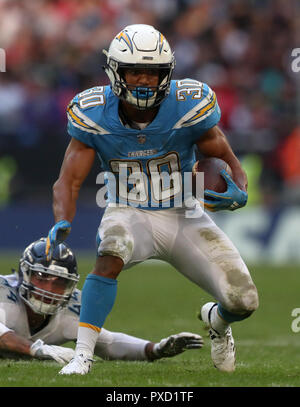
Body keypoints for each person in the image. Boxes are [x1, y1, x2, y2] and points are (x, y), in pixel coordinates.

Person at [45, 24, 259, 375]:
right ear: (116, 72)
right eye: (134, 71)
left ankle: (217, 322)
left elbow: (227, 158)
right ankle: (82, 356)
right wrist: (62, 223)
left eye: (152, 72)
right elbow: (67, 182)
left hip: (184, 214)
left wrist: (239, 188)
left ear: (167, 73)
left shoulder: (188, 105)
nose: (144, 80)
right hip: (129, 211)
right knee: (111, 249)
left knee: (244, 300)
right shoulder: (94, 113)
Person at [0, 238, 203, 364]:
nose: (49, 290)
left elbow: (109, 343)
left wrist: (155, 349)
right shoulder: (4, 293)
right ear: (24, 275)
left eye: (59, 283)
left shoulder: (70, 308)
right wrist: (37, 349)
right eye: (41, 279)